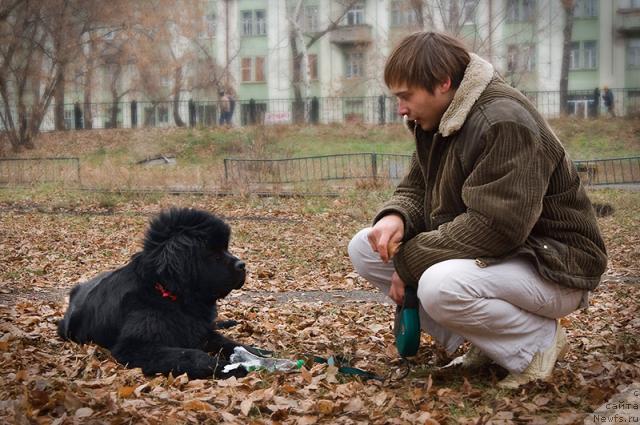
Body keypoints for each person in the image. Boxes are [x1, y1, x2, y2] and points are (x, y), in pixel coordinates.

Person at [348, 32, 607, 389]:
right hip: (510, 259)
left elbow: (495, 227)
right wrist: (397, 217)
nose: (401, 109)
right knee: (367, 246)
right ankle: (491, 344)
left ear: (443, 83)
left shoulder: (504, 122)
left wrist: (409, 264)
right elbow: (418, 186)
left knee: (440, 285)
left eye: (406, 96)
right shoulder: (443, 116)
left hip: (555, 264)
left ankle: (536, 345)